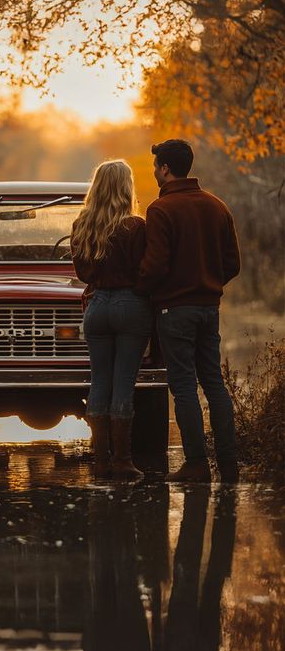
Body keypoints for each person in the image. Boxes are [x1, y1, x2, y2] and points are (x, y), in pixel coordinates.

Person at [137, 139, 240, 483]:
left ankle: (196, 463)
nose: (154, 172)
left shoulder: (161, 210)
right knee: (214, 384)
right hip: (209, 309)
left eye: (156, 167)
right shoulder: (217, 206)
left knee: (183, 386)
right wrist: (207, 282)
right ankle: (228, 464)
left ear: (165, 168)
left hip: (174, 311)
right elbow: (232, 264)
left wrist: (142, 290)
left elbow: (155, 267)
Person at [70, 159, 152, 479]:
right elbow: (143, 272)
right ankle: (123, 462)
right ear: (125, 186)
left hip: (97, 306)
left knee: (99, 383)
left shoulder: (82, 224)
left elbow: (81, 274)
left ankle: (100, 461)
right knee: (123, 386)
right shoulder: (136, 226)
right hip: (130, 305)